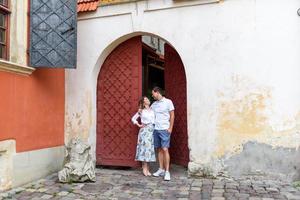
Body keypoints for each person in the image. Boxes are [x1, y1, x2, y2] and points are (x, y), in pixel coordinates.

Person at [151, 87, 175, 181]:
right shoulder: (154, 104)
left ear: (157, 92)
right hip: (156, 129)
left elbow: (172, 115)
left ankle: (167, 171)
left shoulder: (168, 102)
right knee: (159, 150)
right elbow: (148, 112)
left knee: (165, 149)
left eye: (153, 94)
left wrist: (170, 128)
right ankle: (161, 169)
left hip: (165, 129)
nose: (152, 96)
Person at [131, 96, 156, 176]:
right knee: (144, 149)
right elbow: (133, 119)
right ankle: (144, 167)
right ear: (143, 102)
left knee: (149, 149)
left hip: (151, 130)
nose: (148, 100)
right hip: (144, 131)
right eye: (146, 99)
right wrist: (139, 125)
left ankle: (147, 167)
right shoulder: (141, 111)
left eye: (148, 99)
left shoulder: (152, 110)